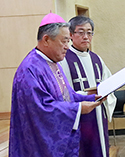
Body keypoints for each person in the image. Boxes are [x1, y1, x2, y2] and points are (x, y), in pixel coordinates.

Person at [9, 13, 106, 157]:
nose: (68, 47)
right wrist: (78, 109)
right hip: (39, 146)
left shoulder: (53, 63)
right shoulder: (30, 69)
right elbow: (40, 110)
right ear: (46, 39)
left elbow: (67, 96)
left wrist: (90, 97)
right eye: (64, 41)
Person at [60, 15, 116, 157]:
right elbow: (63, 92)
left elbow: (107, 82)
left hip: (98, 115)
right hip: (80, 117)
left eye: (89, 32)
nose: (86, 37)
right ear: (71, 35)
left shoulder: (97, 59)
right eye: (81, 32)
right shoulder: (64, 59)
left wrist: (107, 94)